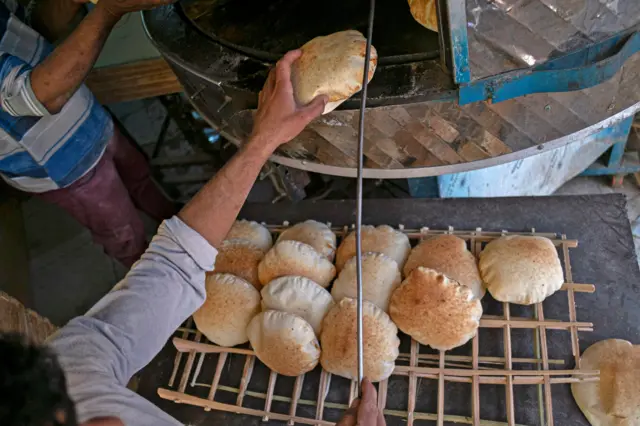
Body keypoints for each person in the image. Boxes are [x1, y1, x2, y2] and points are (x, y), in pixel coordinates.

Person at [0, 50, 386, 426]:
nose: (110, 421)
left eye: (76, 413)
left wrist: (262, 141)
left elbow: (174, 264)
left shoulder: (66, 372)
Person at [0, 0, 177, 268]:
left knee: (139, 175)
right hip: (60, 164)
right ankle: (158, 276)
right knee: (123, 233)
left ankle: (173, 223)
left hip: (86, 116)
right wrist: (110, 10)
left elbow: (30, 27)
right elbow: (38, 96)